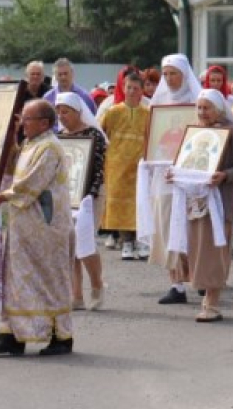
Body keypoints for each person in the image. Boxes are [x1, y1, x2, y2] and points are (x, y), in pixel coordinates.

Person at [0, 99, 74, 356]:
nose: (23, 123)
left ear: (44, 123)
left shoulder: (49, 148)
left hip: (45, 227)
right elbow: (13, 170)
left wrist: (0, 198)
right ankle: (12, 335)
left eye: (27, 119)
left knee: (48, 279)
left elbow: (30, 183)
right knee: (17, 279)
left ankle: (60, 336)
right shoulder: (31, 144)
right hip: (23, 226)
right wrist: (11, 137)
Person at [164, 91, 233, 322]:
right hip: (194, 202)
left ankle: (212, 304)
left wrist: (225, 175)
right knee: (197, 251)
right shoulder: (194, 132)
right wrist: (174, 174)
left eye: (207, 108)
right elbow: (186, 163)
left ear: (219, 109)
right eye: (199, 108)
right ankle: (205, 298)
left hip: (220, 202)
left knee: (214, 254)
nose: (202, 112)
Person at [148, 55, 205, 305]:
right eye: (166, 74)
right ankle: (176, 284)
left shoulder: (198, 101)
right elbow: (154, 139)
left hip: (193, 176)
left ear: (184, 75)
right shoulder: (159, 102)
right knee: (168, 226)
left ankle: (201, 277)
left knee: (195, 228)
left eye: (174, 73)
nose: (169, 79)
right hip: (165, 176)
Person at [56, 93, 107, 310]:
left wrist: (88, 195)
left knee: (85, 242)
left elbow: (98, 168)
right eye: (59, 112)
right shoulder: (58, 137)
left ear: (78, 112)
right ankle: (75, 295)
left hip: (90, 195)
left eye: (65, 112)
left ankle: (96, 284)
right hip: (67, 196)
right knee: (69, 245)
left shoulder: (93, 135)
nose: (61, 116)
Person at [99, 72, 149, 258]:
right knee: (120, 204)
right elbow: (101, 134)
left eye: (136, 88)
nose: (132, 91)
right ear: (123, 88)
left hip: (140, 165)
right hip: (117, 164)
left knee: (139, 202)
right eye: (129, 87)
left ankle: (141, 240)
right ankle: (126, 241)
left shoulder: (148, 114)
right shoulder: (112, 112)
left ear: (142, 91)